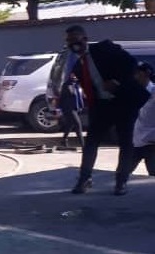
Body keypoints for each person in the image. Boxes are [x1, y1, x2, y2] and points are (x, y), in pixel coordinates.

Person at [63, 25, 150, 196]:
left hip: (124, 101)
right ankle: (84, 179)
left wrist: (117, 82)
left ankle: (121, 182)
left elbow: (131, 64)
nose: (73, 44)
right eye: (69, 41)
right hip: (102, 105)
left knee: (125, 142)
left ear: (85, 39)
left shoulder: (104, 48)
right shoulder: (76, 63)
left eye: (76, 39)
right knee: (91, 142)